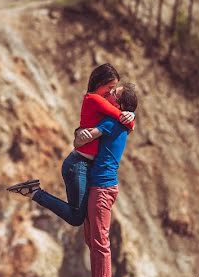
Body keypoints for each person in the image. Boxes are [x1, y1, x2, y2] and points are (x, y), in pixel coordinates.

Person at [11, 64, 134, 227]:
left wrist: (130, 116)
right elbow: (119, 117)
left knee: (82, 215)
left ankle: (34, 192)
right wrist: (130, 119)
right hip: (79, 165)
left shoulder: (98, 101)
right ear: (100, 83)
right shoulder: (94, 99)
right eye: (110, 88)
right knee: (77, 217)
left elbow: (116, 121)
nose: (111, 92)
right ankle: (35, 193)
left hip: (84, 165)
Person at [70, 83, 139, 277]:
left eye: (114, 94)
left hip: (102, 187)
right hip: (98, 186)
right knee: (92, 239)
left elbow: (82, 140)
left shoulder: (111, 121)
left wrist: (80, 135)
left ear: (119, 104)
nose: (108, 94)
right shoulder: (120, 120)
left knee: (99, 241)